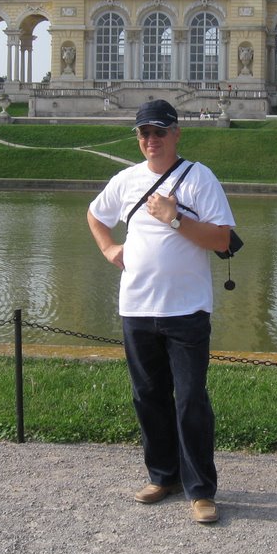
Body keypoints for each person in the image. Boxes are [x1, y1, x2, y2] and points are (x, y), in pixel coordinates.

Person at [86, 99, 234, 525]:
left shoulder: (199, 178)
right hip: (136, 307)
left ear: (176, 134)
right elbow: (96, 215)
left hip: (186, 310)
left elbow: (223, 240)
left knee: (190, 401)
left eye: (159, 132)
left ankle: (200, 490)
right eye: (144, 133)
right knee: (148, 397)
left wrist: (174, 219)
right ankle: (163, 475)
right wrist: (109, 247)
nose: (151, 140)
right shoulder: (126, 179)